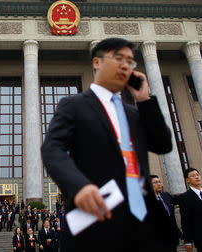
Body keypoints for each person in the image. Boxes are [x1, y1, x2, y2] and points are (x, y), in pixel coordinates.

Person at [41, 37, 173, 251]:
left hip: (144, 227)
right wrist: (79, 186)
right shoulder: (74, 105)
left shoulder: (134, 114)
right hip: (96, 223)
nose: (125, 65)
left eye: (130, 61)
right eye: (118, 58)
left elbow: (163, 145)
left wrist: (145, 100)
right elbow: (53, 149)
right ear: (97, 63)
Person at [150, 175, 182, 252]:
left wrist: (200, 190)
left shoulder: (166, 195)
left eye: (159, 182)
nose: (159, 184)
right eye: (155, 182)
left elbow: (181, 199)